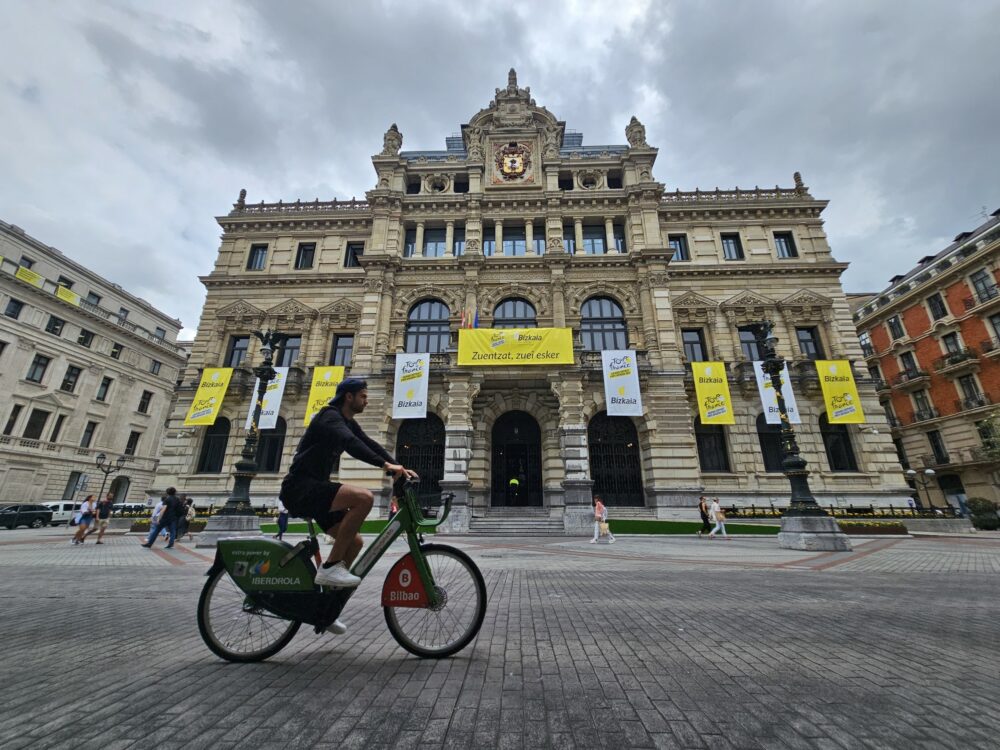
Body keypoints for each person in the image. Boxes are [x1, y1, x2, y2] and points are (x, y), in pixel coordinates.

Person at [279, 378, 417, 634]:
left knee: (355, 543)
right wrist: (385, 467)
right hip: (301, 488)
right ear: (348, 397)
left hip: (314, 489)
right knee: (364, 498)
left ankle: (326, 609)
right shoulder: (329, 417)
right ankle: (330, 568)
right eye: (363, 396)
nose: (367, 400)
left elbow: (369, 443)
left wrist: (397, 464)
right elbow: (352, 446)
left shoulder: (347, 421)